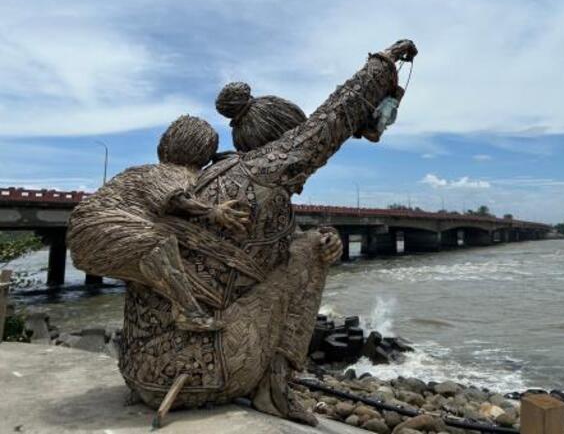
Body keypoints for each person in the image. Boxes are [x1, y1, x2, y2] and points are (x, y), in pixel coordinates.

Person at [119, 40, 417, 425]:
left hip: (141, 370)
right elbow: (330, 121)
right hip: (201, 374)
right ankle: (274, 389)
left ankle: (259, 381)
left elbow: (254, 265)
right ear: (285, 141)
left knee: (309, 243)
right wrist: (383, 64)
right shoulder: (264, 169)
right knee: (310, 250)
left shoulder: (207, 177)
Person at [67, 115, 250, 331]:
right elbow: (175, 198)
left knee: (166, 241)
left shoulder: (140, 170)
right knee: (158, 242)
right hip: (101, 229)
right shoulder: (170, 172)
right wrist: (213, 211)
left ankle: (172, 299)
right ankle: (188, 312)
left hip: (85, 234)